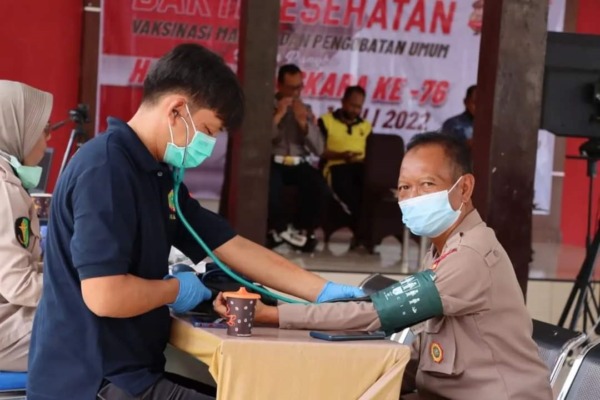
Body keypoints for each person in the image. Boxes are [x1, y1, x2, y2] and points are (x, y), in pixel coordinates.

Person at [27, 44, 363, 400]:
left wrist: (322, 292)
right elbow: (105, 296)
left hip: (131, 372)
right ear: (176, 110)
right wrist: (179, 289)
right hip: (92, 382)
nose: (209, 143)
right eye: (208, 129)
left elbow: (230, 245)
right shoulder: (107, 170)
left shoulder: (156, 175)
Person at [215, 132, 553, 400]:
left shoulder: (470, 257)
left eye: (428, 184)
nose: (413, 196)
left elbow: (376, 312)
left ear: (464, 188)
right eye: (405, 187)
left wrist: (275, 315)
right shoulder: (441, 251)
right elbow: (424, 356)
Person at [0, 81, 52, 372]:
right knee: (96, 326)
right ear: (16, 129)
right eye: (42, 130)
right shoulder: (5, 192)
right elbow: (19, 286)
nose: (46, 141)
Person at [268, 63, 327, 252]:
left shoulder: (306, 110)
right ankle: (277, 230)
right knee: (270, 184)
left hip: (298, 163)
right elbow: (260, 142)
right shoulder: (268, 107)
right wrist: (277, 116)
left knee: (318, 186)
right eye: (291, 87)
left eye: (299, 87)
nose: (296, 92)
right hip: (274, 162)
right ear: (279, 86)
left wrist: (304, 124)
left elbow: (319, 148)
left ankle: (304, 230)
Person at [318, 85, 371, 247]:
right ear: (343, 102)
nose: (355, 110)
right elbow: (319, 150)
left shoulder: (366, 126)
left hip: (360, 167)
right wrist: (342, 155)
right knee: (350, 193)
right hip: (335, 167)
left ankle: (363, 235)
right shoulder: (326, 121)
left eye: (359, 107)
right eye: (352, 105)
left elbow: (372, 152)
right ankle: (361, 233)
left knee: (370, 190)